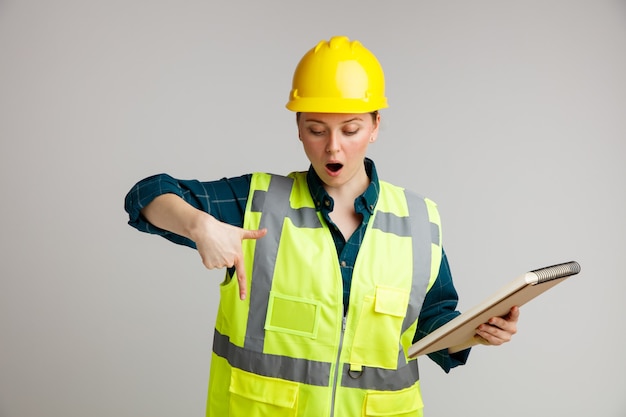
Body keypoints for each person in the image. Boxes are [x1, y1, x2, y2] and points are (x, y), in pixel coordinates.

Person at [124, 35, 519, 417]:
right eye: (316, 130)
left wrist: (477, 331)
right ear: (298, 128)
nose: (333, 147)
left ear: (376, 125)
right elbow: (147, 195)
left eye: (350, 130)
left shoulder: (418, 220)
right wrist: (199, 225)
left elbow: (432, 323)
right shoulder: (256, 203)